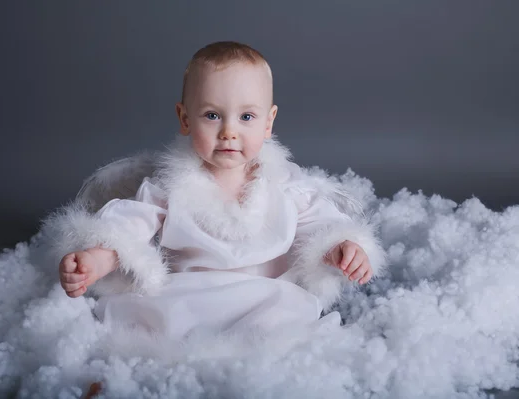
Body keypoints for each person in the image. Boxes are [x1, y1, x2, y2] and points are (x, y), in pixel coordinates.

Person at [43, 41, 386, 341]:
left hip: (264, 295)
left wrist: (341, 248)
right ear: (185, 119)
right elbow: (129, 225)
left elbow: (317, 225)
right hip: (186, 295)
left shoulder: (284, 184)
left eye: (246, 117)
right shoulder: (168, 185)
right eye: (212, 115)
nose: (228, 132)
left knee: (283, 323)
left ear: (269, 122)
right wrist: (98, 259)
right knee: (153, 326)